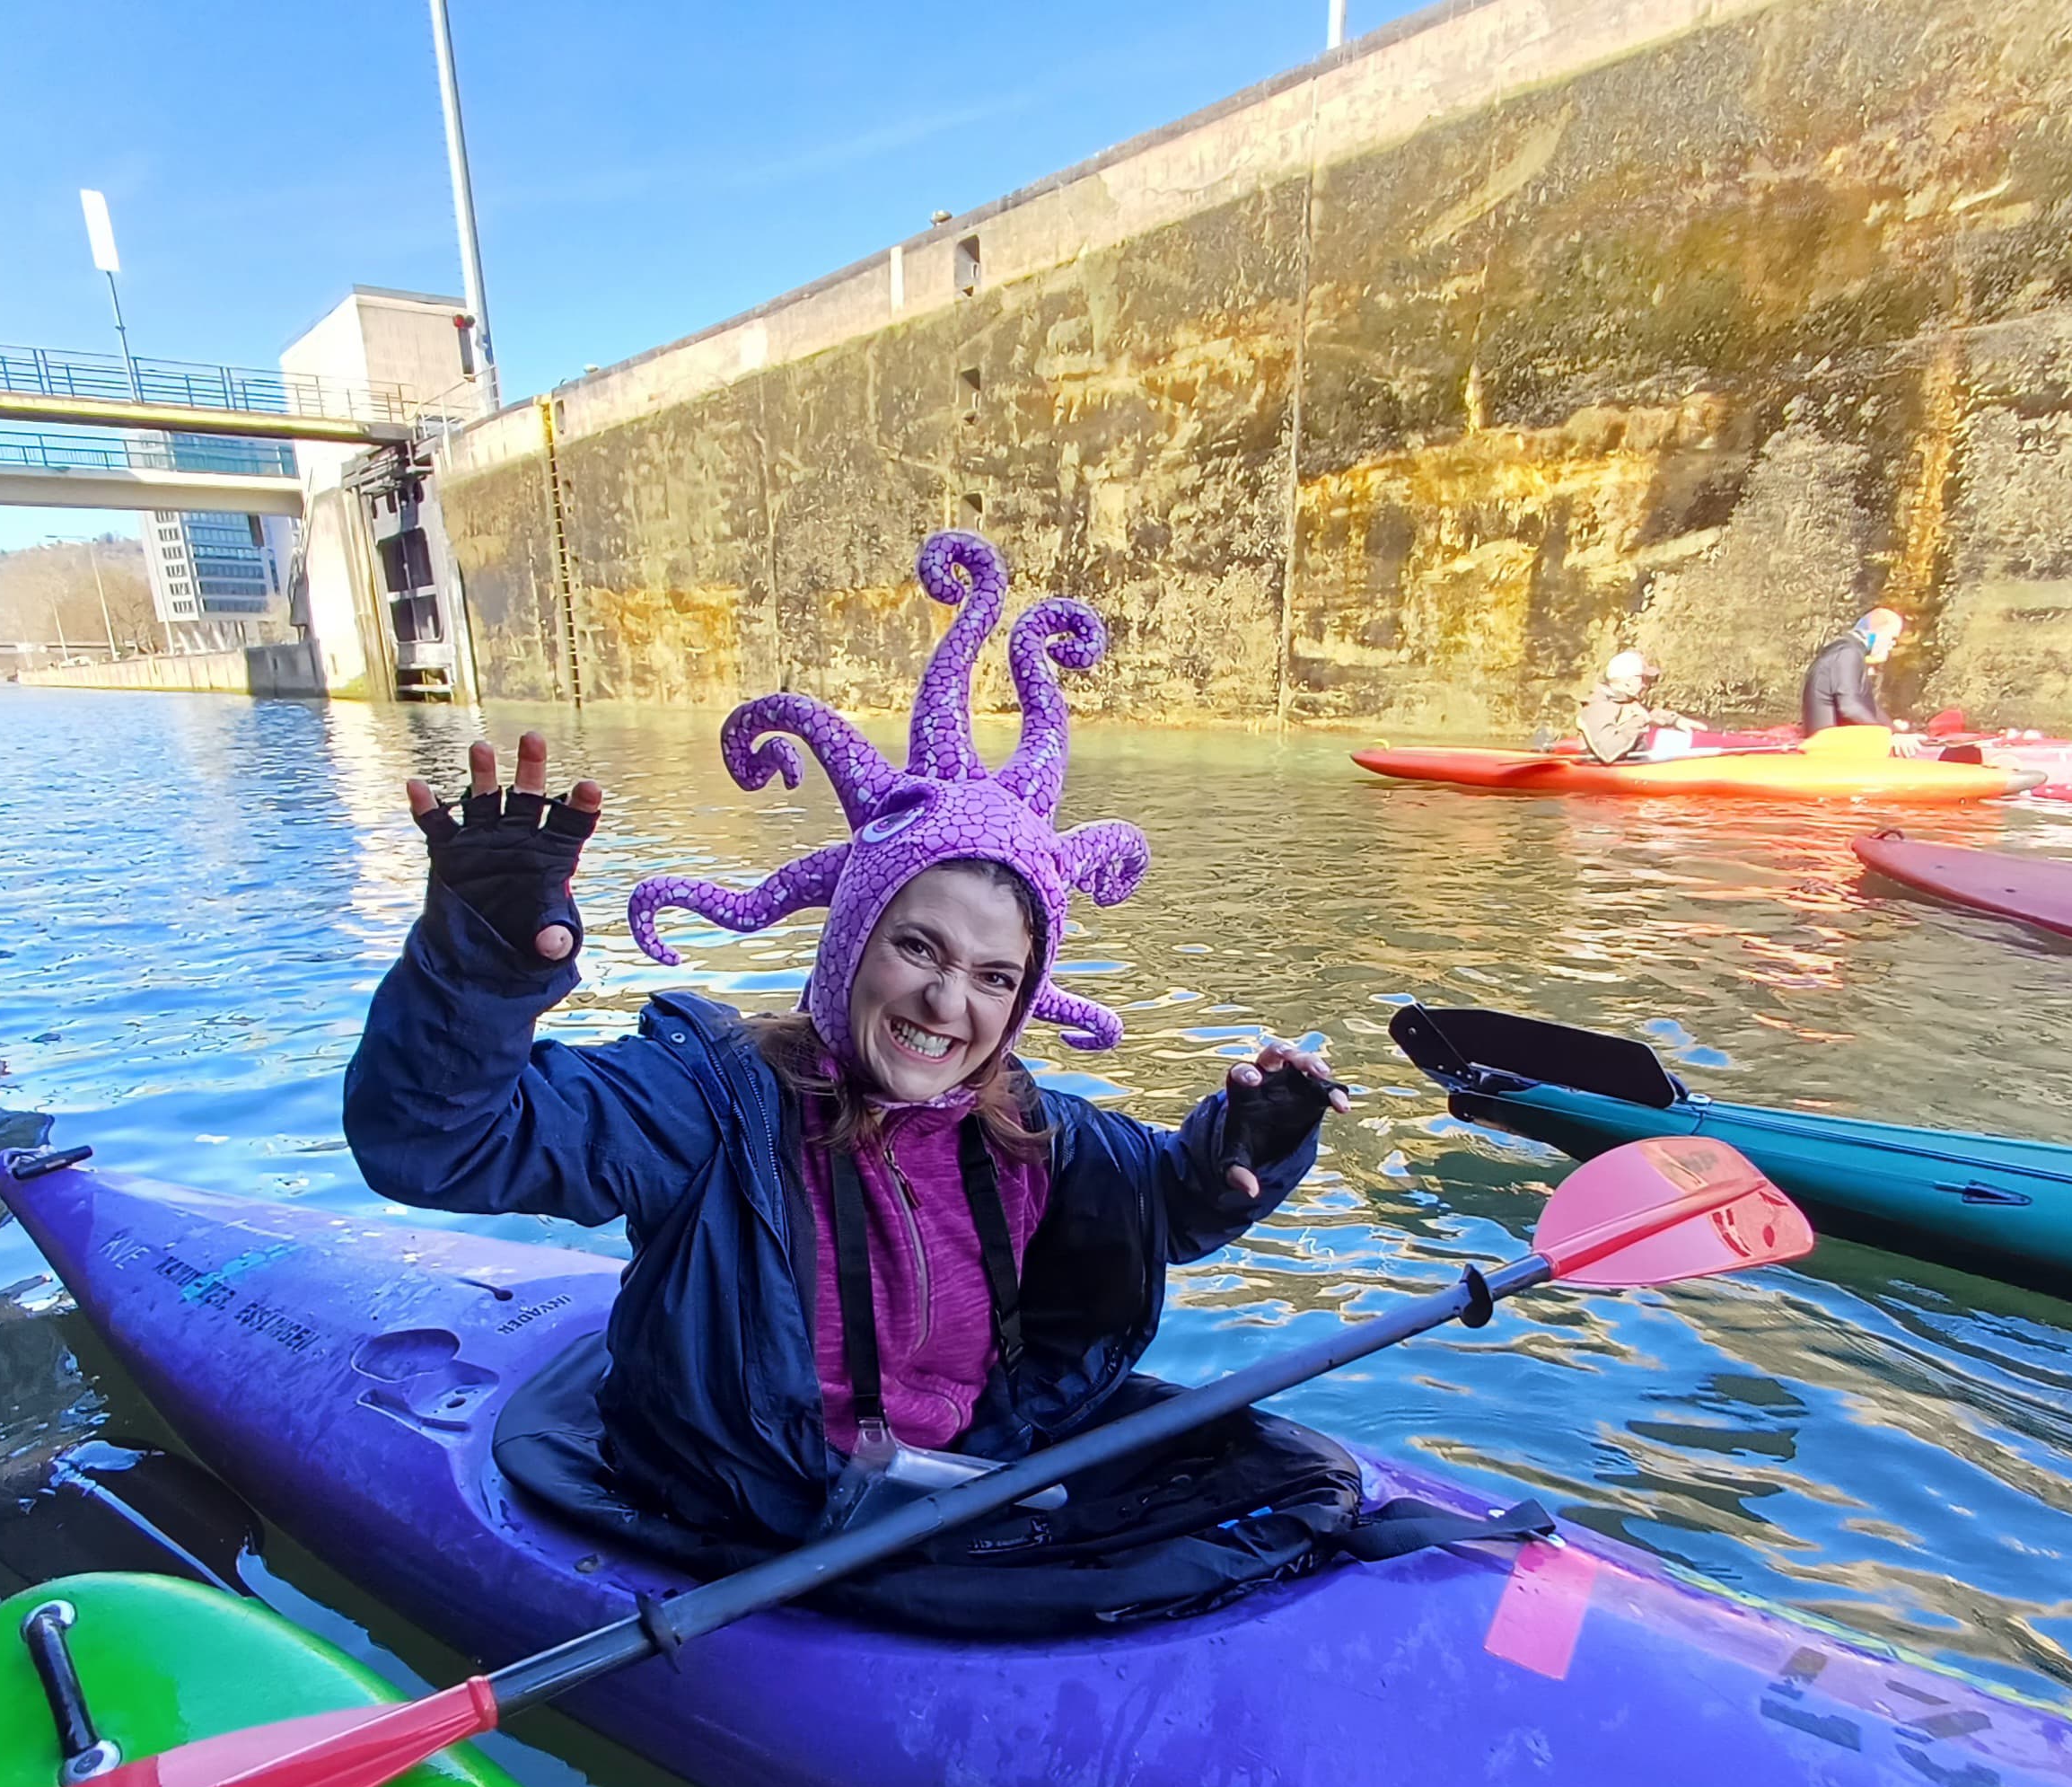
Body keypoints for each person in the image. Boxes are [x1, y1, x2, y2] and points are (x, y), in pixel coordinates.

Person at [345, 533, 1524, 1633]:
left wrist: (1252, 1140)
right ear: (850, 940)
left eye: (992, 977)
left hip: (963, 1478)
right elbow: (438, 1143)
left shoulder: (1024, 1127)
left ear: (1020, 1003)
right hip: (748, 1504)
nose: (944, 1004)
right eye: (916, 948)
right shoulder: (703, 1102)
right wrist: (481, 959)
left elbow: (1168, 1203)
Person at [1802, 608, 1927, 753]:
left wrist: (1896, 732)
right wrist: (1888, 736)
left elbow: (1869, 707)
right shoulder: (1846, 653)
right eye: (1892, 638)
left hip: (1838, 742)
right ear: (1877, 633)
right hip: (1828, 749)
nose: (1892, 645)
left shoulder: (1851, 652)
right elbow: (1849, 708)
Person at [1574, 650, 1699, 763]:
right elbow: (1609, 751)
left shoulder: (1625, 701)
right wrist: (1637, 720)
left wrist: (1675, 720)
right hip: (1616, 775)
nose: (1648, 684)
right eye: (1644, 679)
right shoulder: (1598, 709)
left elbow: (1647, 713)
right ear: (1628, 683)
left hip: (1640, 762)